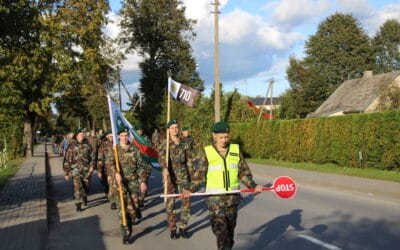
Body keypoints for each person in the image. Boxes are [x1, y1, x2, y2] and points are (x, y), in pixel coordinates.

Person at [191, 121, 263, 250]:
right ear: (214, 135)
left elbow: (243, 172)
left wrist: (253, 186)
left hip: (232, 200)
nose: (224, 140)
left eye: (226, 136)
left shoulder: (235, 150)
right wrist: (188, 189)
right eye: (221, 137)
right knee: (222, 234)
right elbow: (199, 175)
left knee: (230, 234)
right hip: (215, 201)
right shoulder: (206, 152)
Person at [106, 126, 150, 244]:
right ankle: (126, 233)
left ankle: (131, 220)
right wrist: (115, 173)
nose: (124, 138)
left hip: (133, 183)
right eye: (122, 136)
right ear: (119, 136)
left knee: (133, 210)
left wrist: (142, 181)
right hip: (119, 184)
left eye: (126, 135)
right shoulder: (114, 150)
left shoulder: (134, 150)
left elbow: (141, 166)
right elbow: (109, 164)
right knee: (122, 210)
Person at [158, 119, 195, 239]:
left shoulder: (184, 142)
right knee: (170, 203)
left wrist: (192, 176)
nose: (174, 130)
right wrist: (164, 169)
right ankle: (173, 228)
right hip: (169, 175)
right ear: (168, 130)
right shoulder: (165, 143)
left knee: (186, 201)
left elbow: (189, 160)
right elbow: (161, 158)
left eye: (176, 127)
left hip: (183, 174)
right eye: (172, 128)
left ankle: (183, 226)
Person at [63, 128, 95, 212]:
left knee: (86, 186)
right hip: (75, 169)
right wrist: (67, 172)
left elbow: (93, 157)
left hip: (86, 170)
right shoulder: (71, 146)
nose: (82, 136)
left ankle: (84, 196)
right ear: (76, 136)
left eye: (82, 134)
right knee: (77, 186)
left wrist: (92, 166)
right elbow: (67, 159)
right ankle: (78, 203)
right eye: (80, 134)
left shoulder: (88, 145)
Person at [97, 129, 117, 209]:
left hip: (119, 167)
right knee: (111, 185)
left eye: (112, 136)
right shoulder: (103, 145)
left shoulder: (117, 143)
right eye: (110, 136)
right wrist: (99, 170)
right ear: (107, 136)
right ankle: (113, 201)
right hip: (108, 168)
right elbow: (100, 158)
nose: (111, 137)